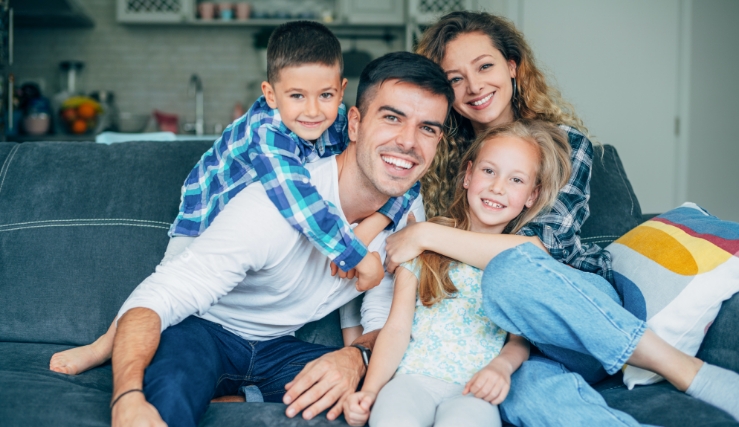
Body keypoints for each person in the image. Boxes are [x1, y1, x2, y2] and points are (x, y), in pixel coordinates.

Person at [384, 11, 739, 425]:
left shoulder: (566, 145)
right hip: (506, 340)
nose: (475, 86)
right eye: (455, 78)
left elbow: (534, 251)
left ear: (512, 67)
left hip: (578, 312)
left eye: (485, 66)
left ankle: (684, 370)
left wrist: (425, 234)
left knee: (509, 273)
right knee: (521, 394)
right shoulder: (442, 154)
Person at [49, 20, 415, 376]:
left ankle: (352, 356)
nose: (313, 110)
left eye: (326, 95)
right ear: (271, 95)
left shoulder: (339, 124)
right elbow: (295, 196)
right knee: (167, 287)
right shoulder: (267, 131)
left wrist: (371, 227)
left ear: (341, 89)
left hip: (268, 226)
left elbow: (401, 182)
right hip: (207, 214)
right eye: (296, 96)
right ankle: (103, 345)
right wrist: (351, 252)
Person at [108, 52, 454, 427]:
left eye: (428, 128)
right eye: (392, 118)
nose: (408, 142)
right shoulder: (275, 205)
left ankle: (238, 396)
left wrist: (356, 357)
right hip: (204, 331)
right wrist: (126, 397)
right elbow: (156, 299)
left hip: (280, 350)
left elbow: (385, 321)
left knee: (369, 397)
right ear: (354, 123)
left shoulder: (407, 215)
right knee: (167, 400)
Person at [343, 120, 572, 427]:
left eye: (516, 180)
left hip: (473, 388)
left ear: (532, 196)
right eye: (488, 171)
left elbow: (519, 340)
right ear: (468, 175)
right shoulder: (422, 241)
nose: (497, 187)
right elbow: (397, 329)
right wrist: (370, 390)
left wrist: (502, 367)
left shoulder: (517, 262)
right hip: (413, 379)